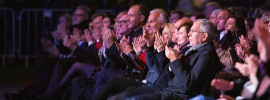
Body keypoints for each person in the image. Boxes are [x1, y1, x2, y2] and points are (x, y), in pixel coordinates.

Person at [124, 19, 222, 100]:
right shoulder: (194, 51)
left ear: (204, 36)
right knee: (129, 94)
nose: (189, 35)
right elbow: (167, 74)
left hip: (179, 96)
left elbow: (190, 84)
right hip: (169, 90)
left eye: (192, 31)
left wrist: (174, 60)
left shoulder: (206, 55)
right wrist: (172, 61)